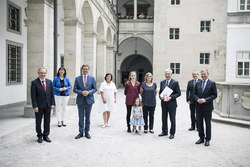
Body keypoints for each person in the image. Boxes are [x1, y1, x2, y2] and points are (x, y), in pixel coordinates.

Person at [31, 67, 55, 143]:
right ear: (38, 73)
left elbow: (52, 94)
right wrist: (35, 106)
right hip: (39, 106)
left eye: (44, 73)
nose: (43, 74)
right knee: (38, 121)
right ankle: (39, 136)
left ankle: (46, 135)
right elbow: (33, 96)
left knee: (47, 121)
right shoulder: (34, 83)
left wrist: (53, 103)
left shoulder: (49, 82)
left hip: (48, 105)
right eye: (41, 73)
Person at [194, 69, 217, 147]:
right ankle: (201, 138)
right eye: (202, 74)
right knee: (199, 123)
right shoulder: (198, 83)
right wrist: (197, 99)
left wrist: (205, 100)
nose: (203, 75)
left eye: (204, 74)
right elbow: (194, 94)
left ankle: (208, 139)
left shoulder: (212, 83)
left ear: (208, 74)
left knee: (207, 123)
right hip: (199, 107)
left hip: (207, 107)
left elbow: (214, 95)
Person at [73, 65, 97, 139]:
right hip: (80, 100)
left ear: (88, 70)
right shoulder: (77, 78)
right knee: (80, 117)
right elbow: (75, 89)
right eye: (84, 69)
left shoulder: (92, 78)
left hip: (89, 100)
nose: (85, 70)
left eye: (86, 69)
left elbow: (95, 89)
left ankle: (87, 132)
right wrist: (81, 92)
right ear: (82, 70)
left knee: (88, 117)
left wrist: (89, 92)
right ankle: (80, 132)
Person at [158, 69, 181, 139]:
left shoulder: (175, 82)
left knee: (172, 119)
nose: (167, 75)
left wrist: (171, 97)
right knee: (164, 118)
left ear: (171, 74)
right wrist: (160, 97)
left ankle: (172, 133)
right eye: (166, 74)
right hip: (164, 103)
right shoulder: (162, 82)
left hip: (172, 104)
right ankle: (164, 131)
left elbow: (178, 93)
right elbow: (160, 92)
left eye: (168, 74)